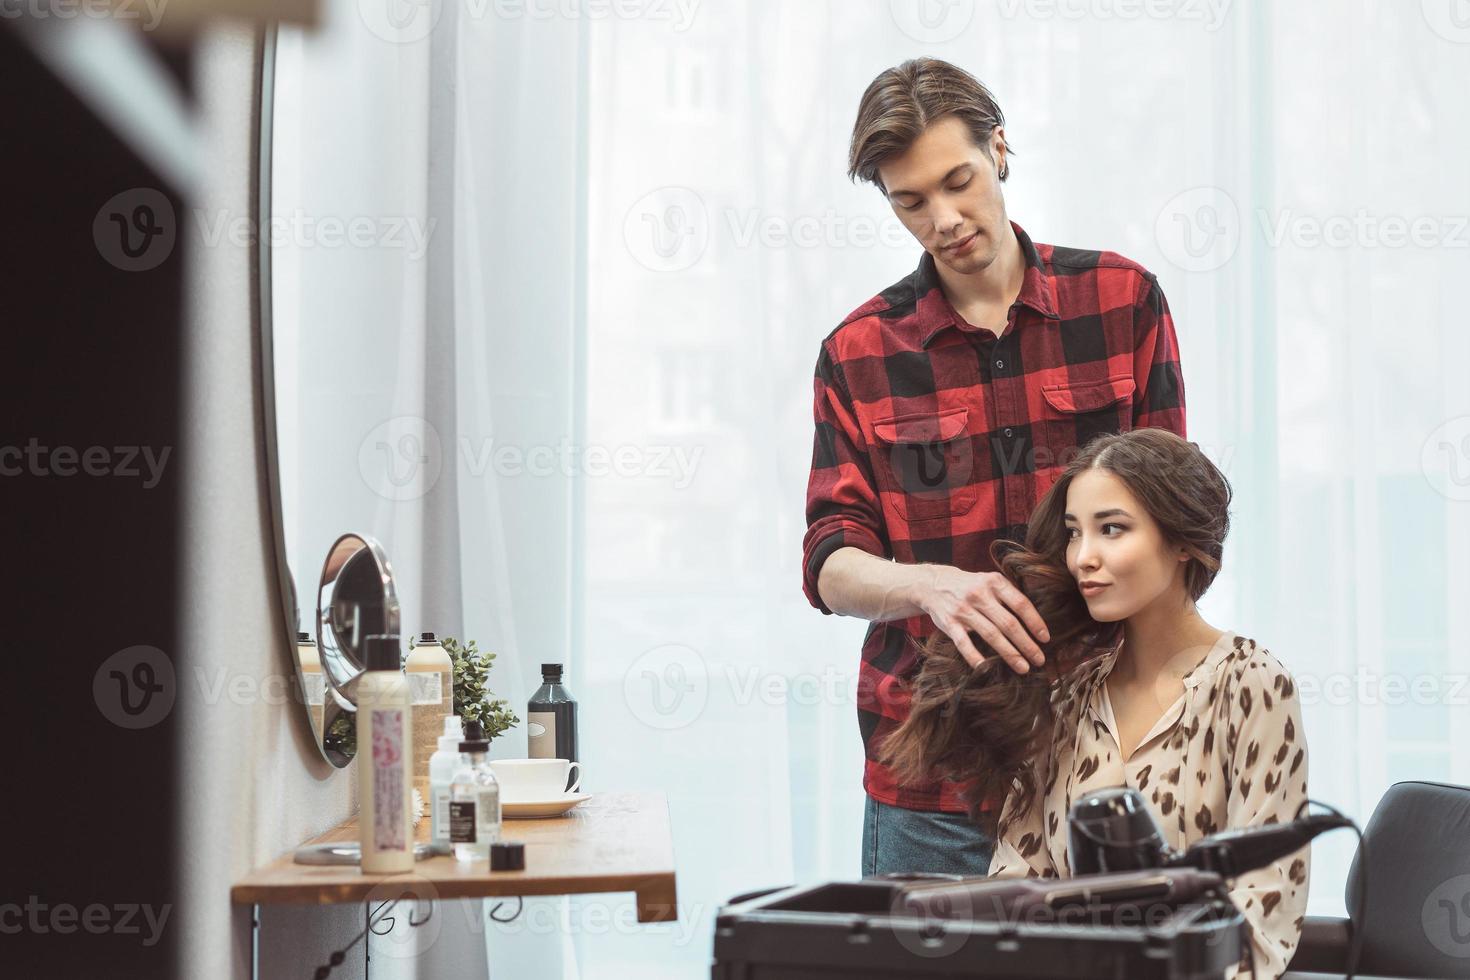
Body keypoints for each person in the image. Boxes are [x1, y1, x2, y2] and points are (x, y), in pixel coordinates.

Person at [801, 56, 1186, 877]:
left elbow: (1180, 529)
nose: (943, 217)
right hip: (933, 782)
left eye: (959, 180)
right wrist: (929, 585)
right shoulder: (857, 353)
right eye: (911, 201)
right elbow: (831, 561)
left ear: (1000, 150)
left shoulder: (1122, 302)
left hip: (1110, 762)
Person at [879, 428, 1309, 980]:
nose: (1083, 557)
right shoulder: (1067, 699)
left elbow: (1264, 909)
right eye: (1074, 533)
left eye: (1112, 530)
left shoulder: (1252, 685)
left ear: (1180, 541)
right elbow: (1015, 885)